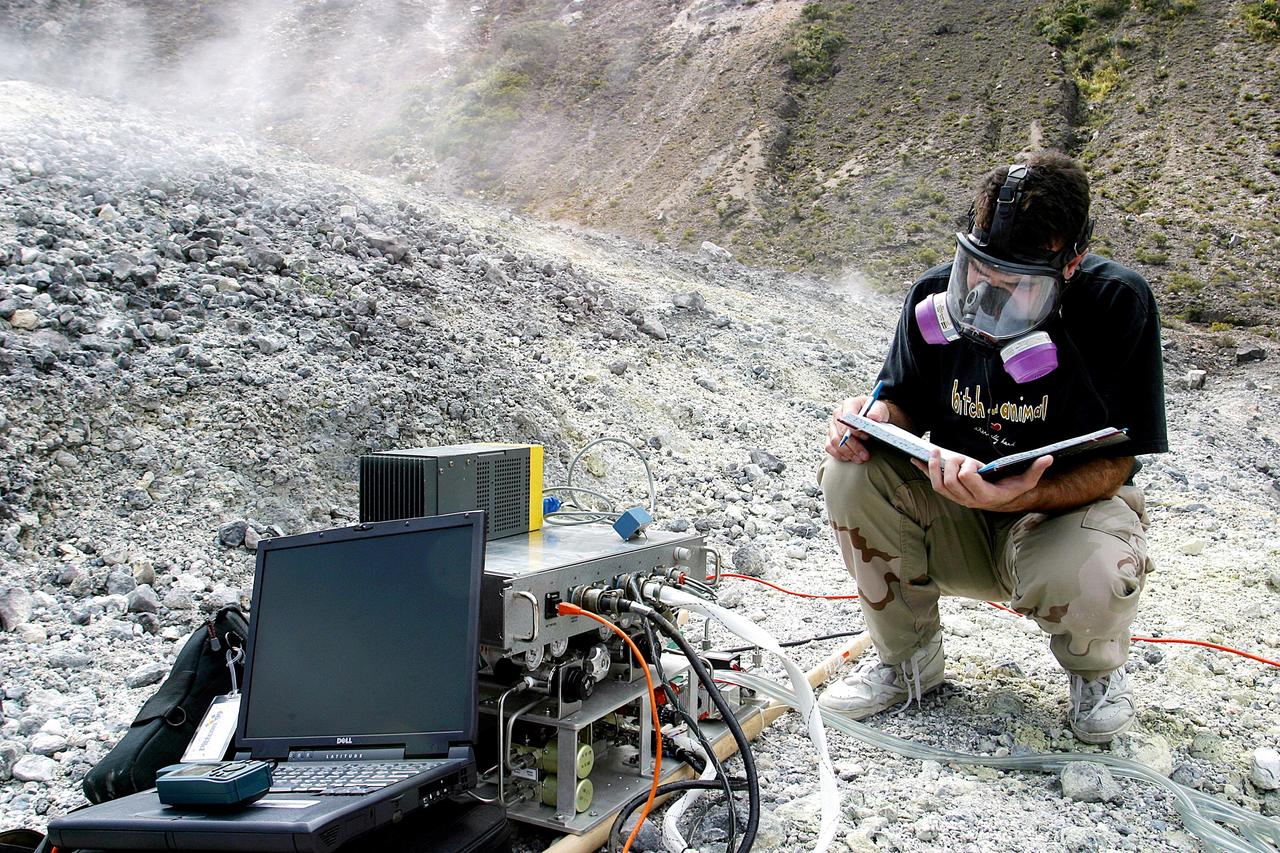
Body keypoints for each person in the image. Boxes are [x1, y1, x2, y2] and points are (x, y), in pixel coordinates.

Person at [817, 151, 1167, 744]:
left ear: (1072, 263)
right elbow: (900, 400)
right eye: (979, 271)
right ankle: (908, 664)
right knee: (851, 474)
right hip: (953, 511)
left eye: (1019, 284)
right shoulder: (933, 297)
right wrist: (870, 418)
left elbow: (1117, 461)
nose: (988, 296)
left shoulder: (1117, 305)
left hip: (1053, 520)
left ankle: (1094, 673)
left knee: (1103, 559)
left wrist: (1016, 499)